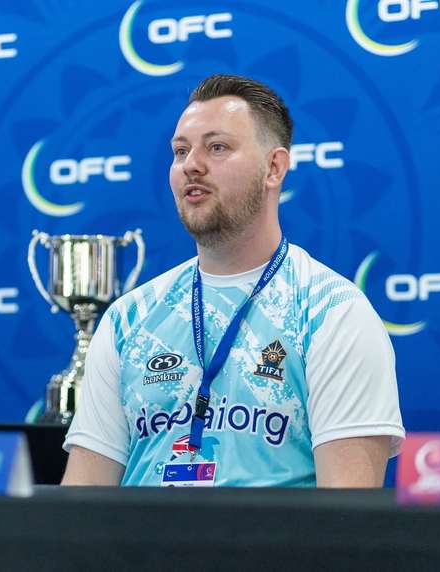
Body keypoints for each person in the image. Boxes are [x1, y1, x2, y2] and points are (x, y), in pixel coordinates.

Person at [62, 74, 404, 487]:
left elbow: (350, 521)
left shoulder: (331, 312)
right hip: (137, 552)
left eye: (217, 147)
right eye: (180, 151)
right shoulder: (127, 319)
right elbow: (82, 503)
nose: (191, 164)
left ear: (274, 168)